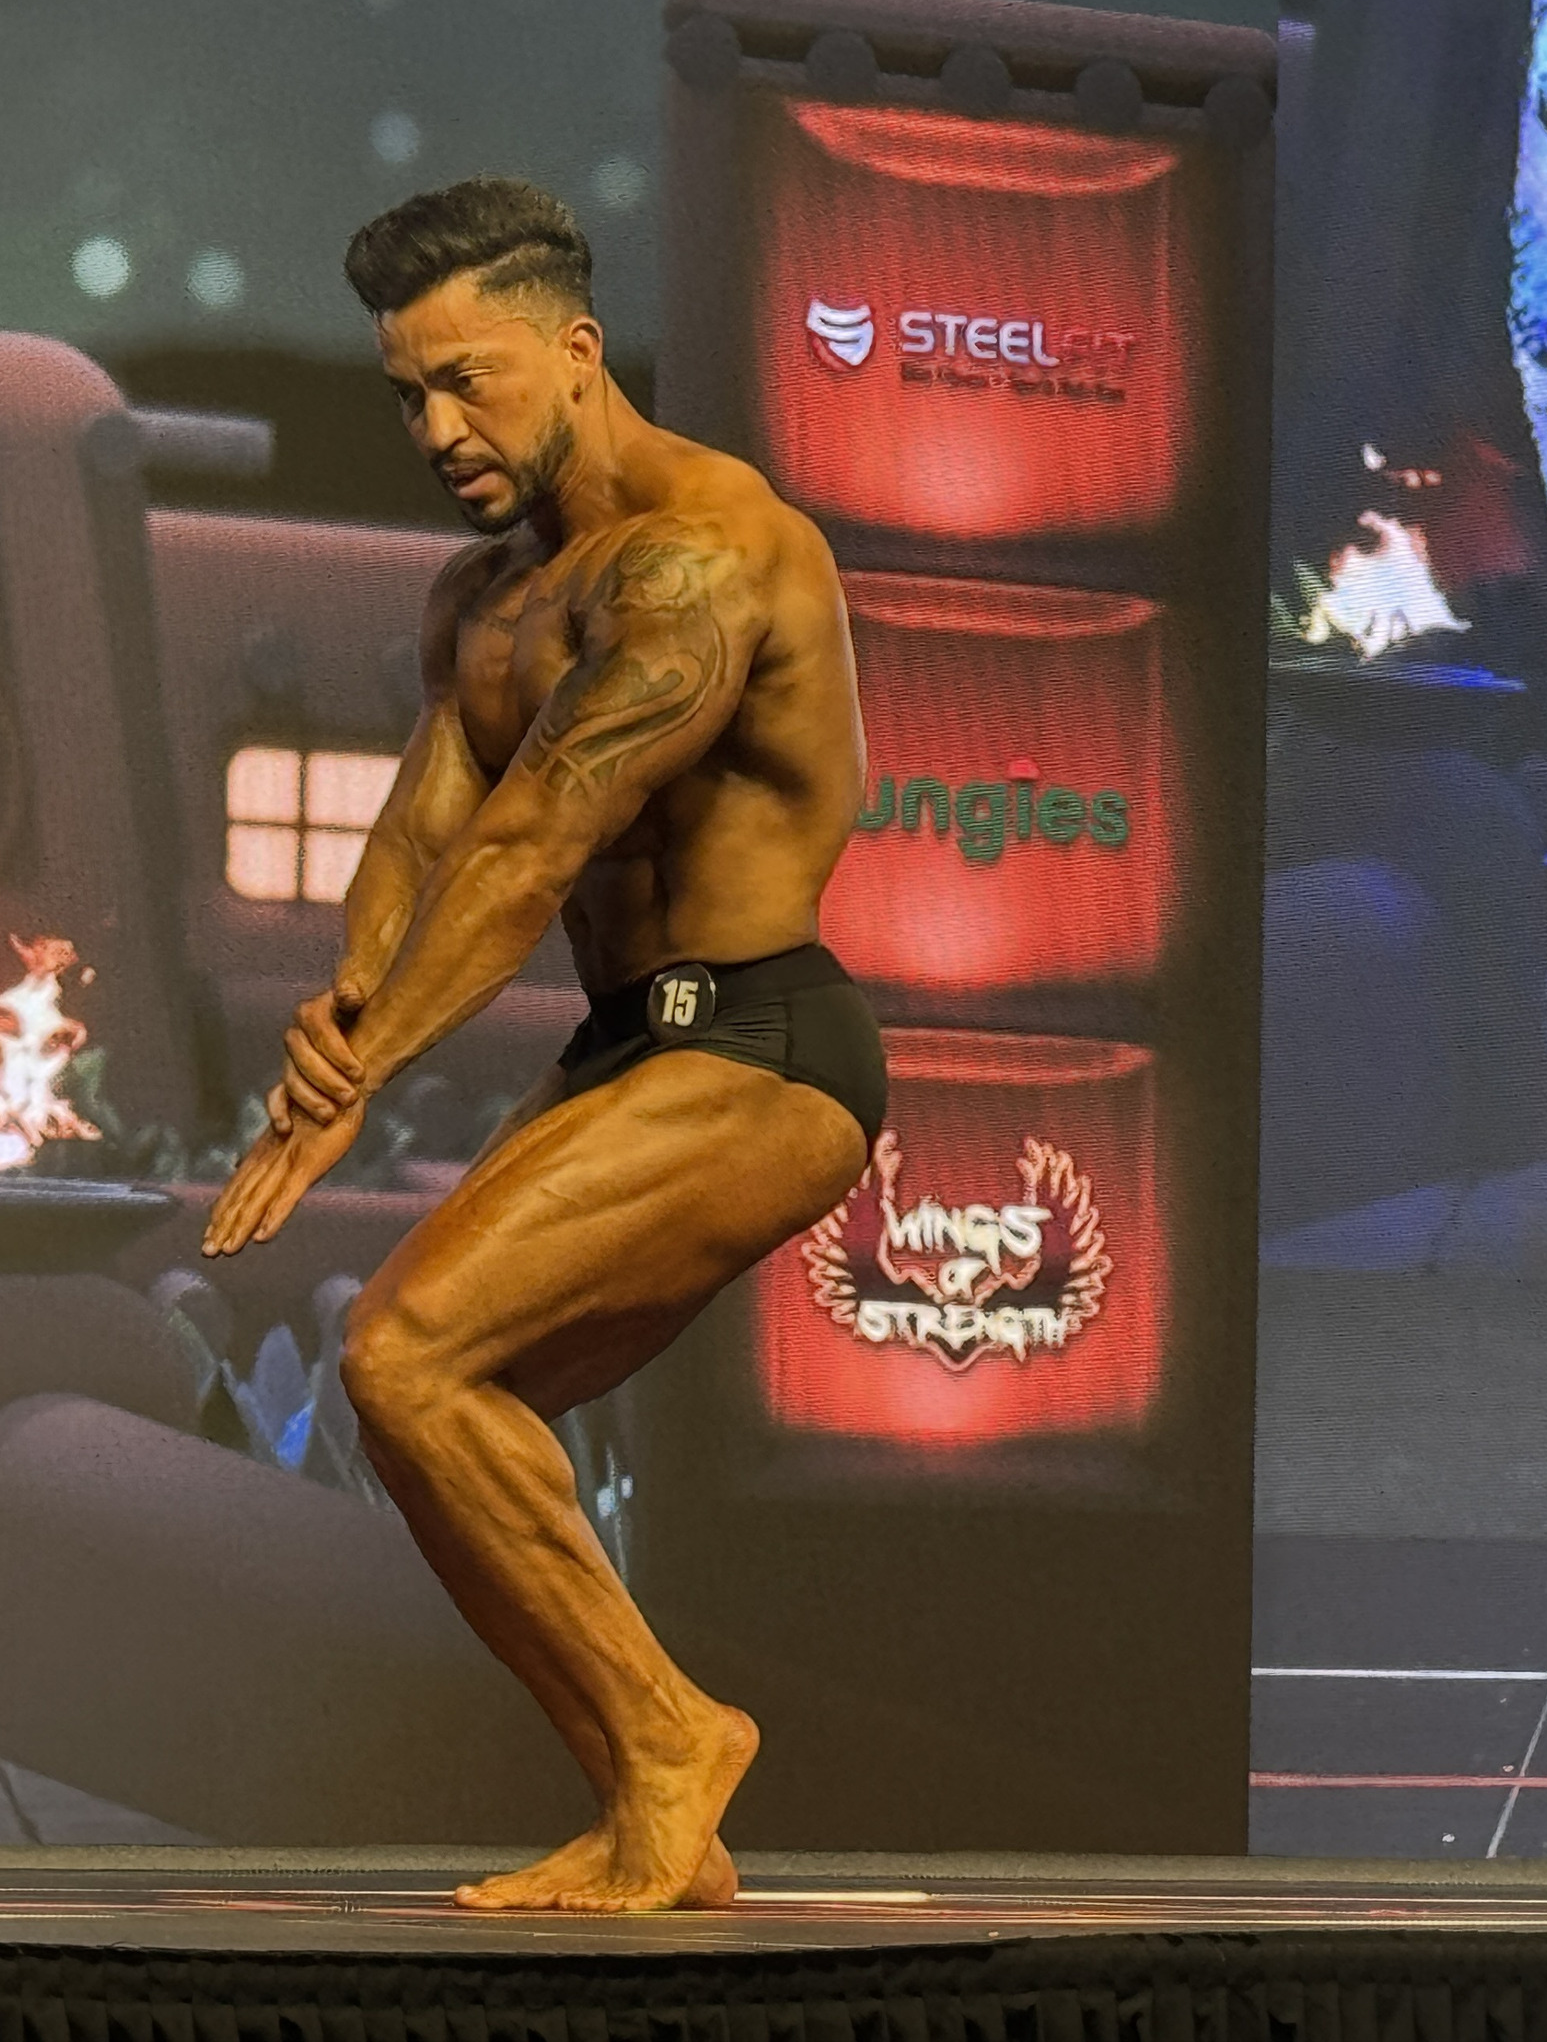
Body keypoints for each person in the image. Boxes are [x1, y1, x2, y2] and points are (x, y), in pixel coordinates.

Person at [201, 178, 885, 1913]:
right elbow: (425, 836)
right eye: (406, 396)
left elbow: (534, 845)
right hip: (624, 1055)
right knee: (434, 1403)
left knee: (407, 1355)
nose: (438, 429)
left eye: (468, 380)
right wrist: (342, 1017)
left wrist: (368, 1073)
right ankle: (657, 1802)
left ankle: (671, 1742)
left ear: (576, 351)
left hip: (760, 1050)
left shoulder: (707, 555)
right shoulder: (489, 601)